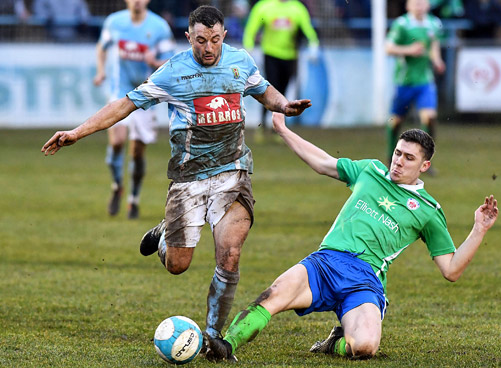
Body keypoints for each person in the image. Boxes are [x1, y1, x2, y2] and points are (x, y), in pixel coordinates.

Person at [42, 5, 311, 350]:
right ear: (188, 37)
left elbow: (263, 89)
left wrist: (283, 105)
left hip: (233, 173)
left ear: (224, 36)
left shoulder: (240, 61)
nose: (209, 48)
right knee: (177, 265)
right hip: (189, 179)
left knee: (230, 255)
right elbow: (125, 104)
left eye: (215, 39)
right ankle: (165, 233)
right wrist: (77, 132)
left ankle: (215, 337)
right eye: (201, 40)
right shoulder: (173, 72)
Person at [202, 112, 499, 362]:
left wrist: (479, 229)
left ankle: (336, 343)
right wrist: (282, 130)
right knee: (272, 296)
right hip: (325, 263)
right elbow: (323, 162)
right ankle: (225, 346)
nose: (398, 162)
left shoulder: (428, 210)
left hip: (364, 280)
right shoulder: (370, 170)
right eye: (397, 153)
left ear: (424, 166)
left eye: (409, 158)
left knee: (365, 347)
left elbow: (451, 270)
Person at [93, 0, 176, 219]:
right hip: (119, 89)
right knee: (117, 141)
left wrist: (155, 61)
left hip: (146, 92)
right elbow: (101, 47)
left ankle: (134, 199)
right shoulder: (114, 22)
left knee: (137, 152)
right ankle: (117, 185)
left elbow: (171, 62)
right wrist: (101, 71)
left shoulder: (159, 27)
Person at [242, 0, 319, 142]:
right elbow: (251, 28)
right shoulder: (264, 6)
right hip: (271, 55)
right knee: (269, 89)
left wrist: (313, 45)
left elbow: (308, 29)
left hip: (290, 56)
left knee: (283, 91)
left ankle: (277, 128)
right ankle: (262, 125)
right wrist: (249, 47)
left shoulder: (297, 8)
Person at [385, 0, 445, 173]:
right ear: (408, 6)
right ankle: (391, 155)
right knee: (395, 122)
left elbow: (433, 45)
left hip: (424, 81)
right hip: (404, 81)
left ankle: (424, 161)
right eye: (416, 2)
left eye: (422, 2)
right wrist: (409, 50)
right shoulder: (402, 24)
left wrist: (437, 60)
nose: (419, 5)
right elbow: (388, 48)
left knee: (430, 118)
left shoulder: (433, 23)